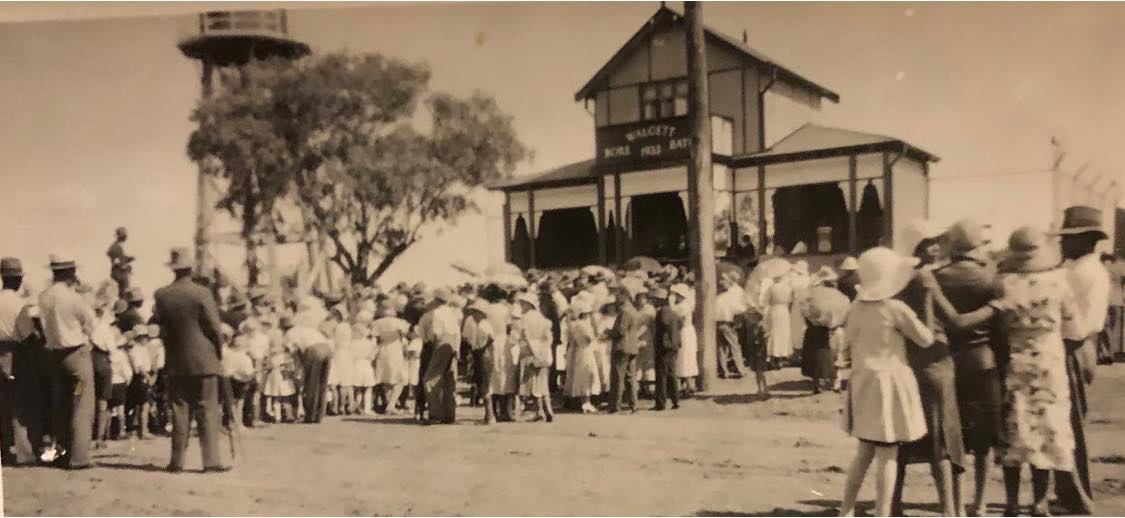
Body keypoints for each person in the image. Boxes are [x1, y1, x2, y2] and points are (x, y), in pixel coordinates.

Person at [985, 226, 1079, 516]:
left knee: (1015, 429)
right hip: (1048, 360)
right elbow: (1073, 320)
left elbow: (995, 325)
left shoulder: (1002, 283)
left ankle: (1012, 502)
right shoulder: (1059, 282)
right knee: (1047, 429)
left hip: (1014, 360)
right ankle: (1039, 502)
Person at [837, 247, 935, 517]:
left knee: (864, 451)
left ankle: (846, 509)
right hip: (889, 382)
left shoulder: (855, 308)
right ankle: (882, 513)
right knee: (887, 453)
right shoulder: (895, 308)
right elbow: (926, 339)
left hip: (863, 381)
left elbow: (846, 345)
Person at [892, 222, 969, 517]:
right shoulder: (925, 277)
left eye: (936, 242)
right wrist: (993, 308)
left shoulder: (899, 278)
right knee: (942, 440)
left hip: (908, 364)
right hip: (934, 365)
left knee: (901, 438)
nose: (935, 248)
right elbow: (938, 326)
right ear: (917, 248)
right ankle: (950, 510)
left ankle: (894, 505)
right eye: (928, 243)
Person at [928, 219, 1002, 516]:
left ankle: (955, 503)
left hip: (947, 360)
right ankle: (981, 502)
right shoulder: (992, 277)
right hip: (983, 359)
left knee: (952, 438)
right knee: (984, 440)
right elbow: (1001, 328)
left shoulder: (937, 277)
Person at [152, 247, 229, 473]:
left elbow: (161, 326)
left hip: (176, 360)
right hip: (204, 359)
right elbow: (214, 327)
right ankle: (211, 461)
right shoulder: (202, 293)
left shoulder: (161, 294)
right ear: (191, 269)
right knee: (207, 411)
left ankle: (177, 461)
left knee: (179, 410)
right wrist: (219, 352)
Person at [1055, 205, 1109, 515]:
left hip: (1072, 345)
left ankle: (1076, 496)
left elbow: (1070, 321)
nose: (1063, 244)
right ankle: (1069, 492)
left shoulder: (1077, 272)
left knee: (1069, 423)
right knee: (1070, 420)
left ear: (1085, 239)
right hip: (1085, 345)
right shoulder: (1093, 269)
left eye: (1068, 238)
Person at [38, 253, 98, 469]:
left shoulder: (44, 296)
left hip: (54, 356)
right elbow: (91, 322)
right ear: (71, 273)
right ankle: (79, 457)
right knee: (81, 402)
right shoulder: (74, 298)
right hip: (76, 356)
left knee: (61, 405)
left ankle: (61, 453)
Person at [0, 257, 42, 465]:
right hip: (16, 353)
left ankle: (4, 451)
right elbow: (28, 336)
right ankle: (24, 453)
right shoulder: (19, 305)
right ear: (17, 280)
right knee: (20, 403)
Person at [801, 267, 849, 395]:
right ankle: (836, 383)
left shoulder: (814, 296)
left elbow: (805, 312)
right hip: (836, 329)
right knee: (837, 357)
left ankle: (818, 384)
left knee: (817, 357)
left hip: (817, 330)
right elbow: (846, 315)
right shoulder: (841, 298)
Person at [290, 300, 334, 424]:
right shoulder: (314, 328)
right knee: (322, 384)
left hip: (313, 350)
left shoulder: (294, 331)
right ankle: (319, 415)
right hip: (326, 348)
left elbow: (291, 349)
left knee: (311, 384)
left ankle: (310, 415)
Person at [423, 289, 462, 424]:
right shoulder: (452, 313)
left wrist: (429, 342)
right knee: (449, 380)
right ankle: (449, 414)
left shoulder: (437, 313)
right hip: (453, 344)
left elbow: (435, 332)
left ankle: (436, 414)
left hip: (442, 344)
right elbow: (457, 333)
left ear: (436, 300)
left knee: (430, 379)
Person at [513, 292, 553, 423]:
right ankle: (548, 409)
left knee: (532, 383)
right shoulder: (543, 319)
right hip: (543, 350)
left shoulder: (524, 319)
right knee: (542, 382)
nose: (521, 306)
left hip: (529, 352)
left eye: (523, 303)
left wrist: (534, 352)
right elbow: (549, 338)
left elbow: (524, 337)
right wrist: (544, 351)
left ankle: (539, 411)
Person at [608, 283, 645, 414]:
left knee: (618, 377)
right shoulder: (634, 310)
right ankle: (633, 404)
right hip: (632, 346)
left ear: (624, 295)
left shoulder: (624, 311)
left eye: (617, 295)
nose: (616, 298)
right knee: (631, 377)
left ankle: (615, 406)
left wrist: (609, 332)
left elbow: (620, 331)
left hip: (621, 346)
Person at [372, 301, 411, 416]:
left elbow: (376, 337)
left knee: (385, 378)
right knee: (399, 379)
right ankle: (391, 404)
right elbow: (404, 335)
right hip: (395, 349)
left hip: (383, 348)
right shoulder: (400, 323)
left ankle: (389, 404)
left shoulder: (377, 323)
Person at [564, 295, 601, 414]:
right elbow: (590, 338)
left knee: (583, 375)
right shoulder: (583, 325)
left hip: (580, 351)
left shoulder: (574, 324)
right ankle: (586, 402)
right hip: (586, 350)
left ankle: (585, 402)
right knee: (588, 375)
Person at [651, 287, 681, 411]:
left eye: (655, 299)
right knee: (671, 373)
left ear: (660, 300)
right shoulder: (673, 312)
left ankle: (660, 403)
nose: (654, 301)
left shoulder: (662, 311)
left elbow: (663, 323)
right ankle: (675, 400)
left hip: (664, 346)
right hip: (673, 345)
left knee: (662, 375)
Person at [715, 272, 747, 379]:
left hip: (718, 323)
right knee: (735, 346)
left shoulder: (720, 296)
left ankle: (724, 371)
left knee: (722, 348)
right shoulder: (730, 295)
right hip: (727, 322)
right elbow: (739, 308)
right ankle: (740, 370)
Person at [672, 283, 698, 394]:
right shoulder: (682, 305)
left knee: (686, 357)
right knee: (683, 358)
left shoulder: (684, 306)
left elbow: (677, 319)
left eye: (676, 294)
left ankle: (689, 385)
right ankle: (687, 384)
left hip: (685, 332)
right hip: (684, 331)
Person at [1097, 253, 1122, 364]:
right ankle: (1110, 353)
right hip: (1118, 302)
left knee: (1104, 329)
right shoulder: (1119, 269)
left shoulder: (1102, 270)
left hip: (1105, 302)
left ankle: (1106, 354)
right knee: (1112, 329)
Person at [107, 227, 133, 298]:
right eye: (124, 236)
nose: (125, 238)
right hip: (119, 274)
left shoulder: (118, 246)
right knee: (123, 293)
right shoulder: (115, 247)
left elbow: (120, 258)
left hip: (120, 273)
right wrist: (124, 266)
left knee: (124, 292)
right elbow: (115, 260)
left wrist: (128, 259)